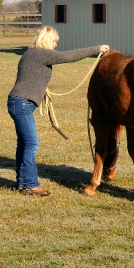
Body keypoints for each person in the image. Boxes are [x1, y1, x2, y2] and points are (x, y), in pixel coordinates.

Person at [7, 25, 109, 196]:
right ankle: (30, 185)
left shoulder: (30, 53)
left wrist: (41, 88)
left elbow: (29, 76)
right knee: (31, 143)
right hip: (22, 104)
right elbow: (67, 56)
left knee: (24, 144)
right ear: (46, 40)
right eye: (54, 41)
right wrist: (96, 49)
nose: (55, 45)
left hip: (18, 102)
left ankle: (23, 182)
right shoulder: (40, 53)